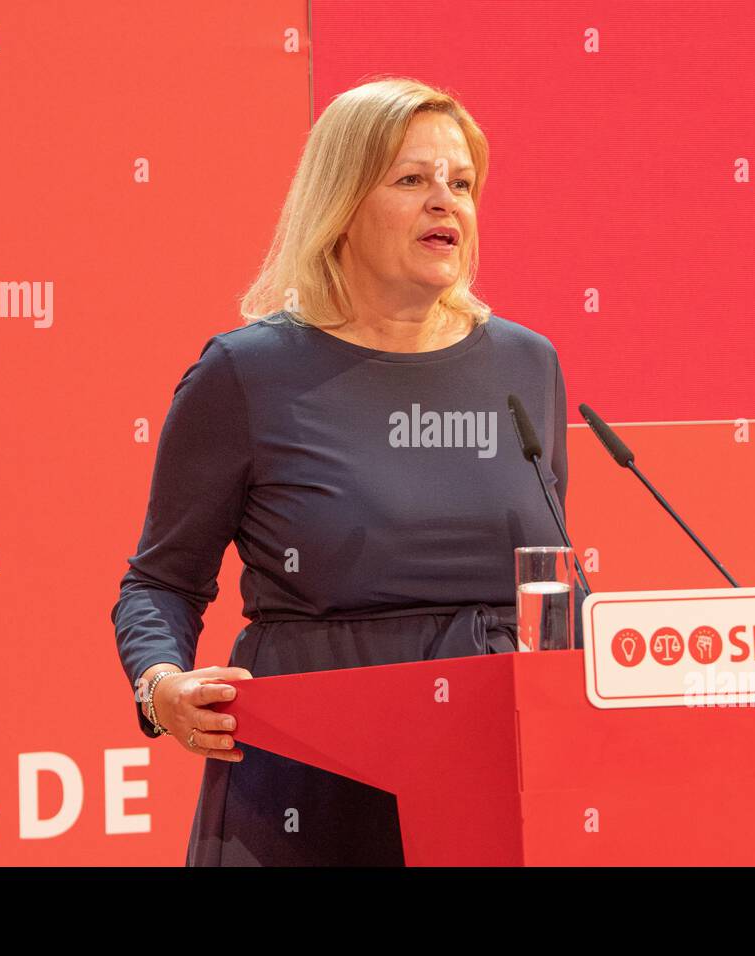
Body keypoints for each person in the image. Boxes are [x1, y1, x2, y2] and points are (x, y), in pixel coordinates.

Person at [110, 75, 579, 866]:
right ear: (342, 203)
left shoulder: (524, 364)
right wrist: (161, 688)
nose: (446, 202)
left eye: (460, 183)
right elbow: (160, 581)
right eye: (412, 179)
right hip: (311, 771)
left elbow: (556, 577)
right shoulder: (249, 373)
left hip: (496, 762)